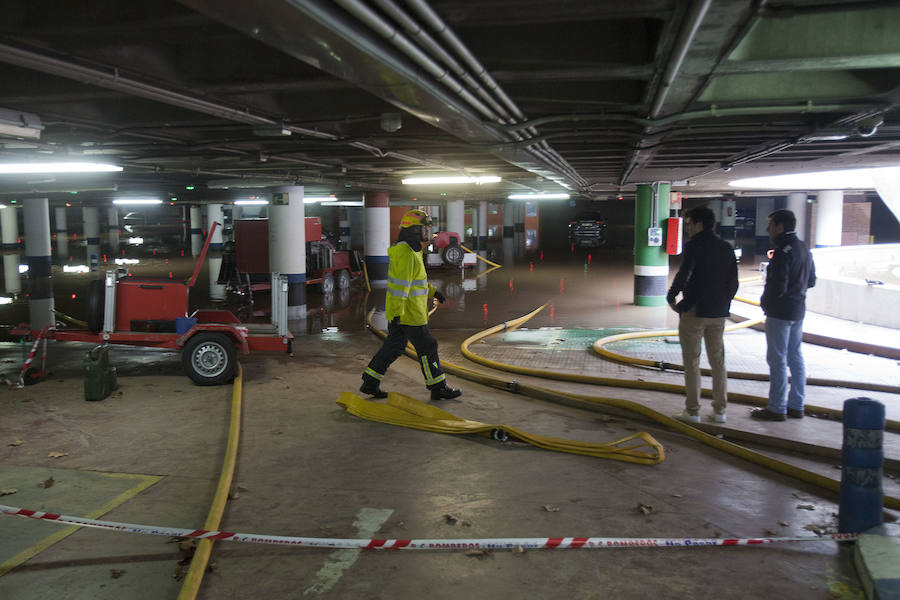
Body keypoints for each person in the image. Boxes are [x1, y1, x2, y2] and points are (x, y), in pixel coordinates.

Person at [360, 209, 462, 401]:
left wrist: (433, 292)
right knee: (428, 346)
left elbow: (417, 281)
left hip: (404, 313)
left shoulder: (411, 251)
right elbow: (401, 287)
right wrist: (398, 315)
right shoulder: (407, 254)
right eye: (424, 230)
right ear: (414, 231)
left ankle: (370, 381)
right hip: (409, 315)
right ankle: (438, 387)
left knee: (394, 347)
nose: (428, 234)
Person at [666, 206, 739, 424]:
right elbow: (733, 282)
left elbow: (684, 274)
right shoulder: (726, 247)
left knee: (692, 362)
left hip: (695, 312)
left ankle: (693, 411)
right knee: (718, 362)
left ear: (699, 224)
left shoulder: (694, 246)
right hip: (718, 313)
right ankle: (720, 412)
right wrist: (724, 302)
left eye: (689, 223)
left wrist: (672, 297)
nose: (687, 228)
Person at [751, 209, 816, 421]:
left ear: (780, 227)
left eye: (770, 225)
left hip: (780, 313)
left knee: (777, 359)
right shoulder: (804, 248)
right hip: (798, 310)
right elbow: (812, 280)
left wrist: (766, 303)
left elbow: (778, 285)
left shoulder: (781, 252)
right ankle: (797, 405)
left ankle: (777, 407)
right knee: (795, 357)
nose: (767, 229)